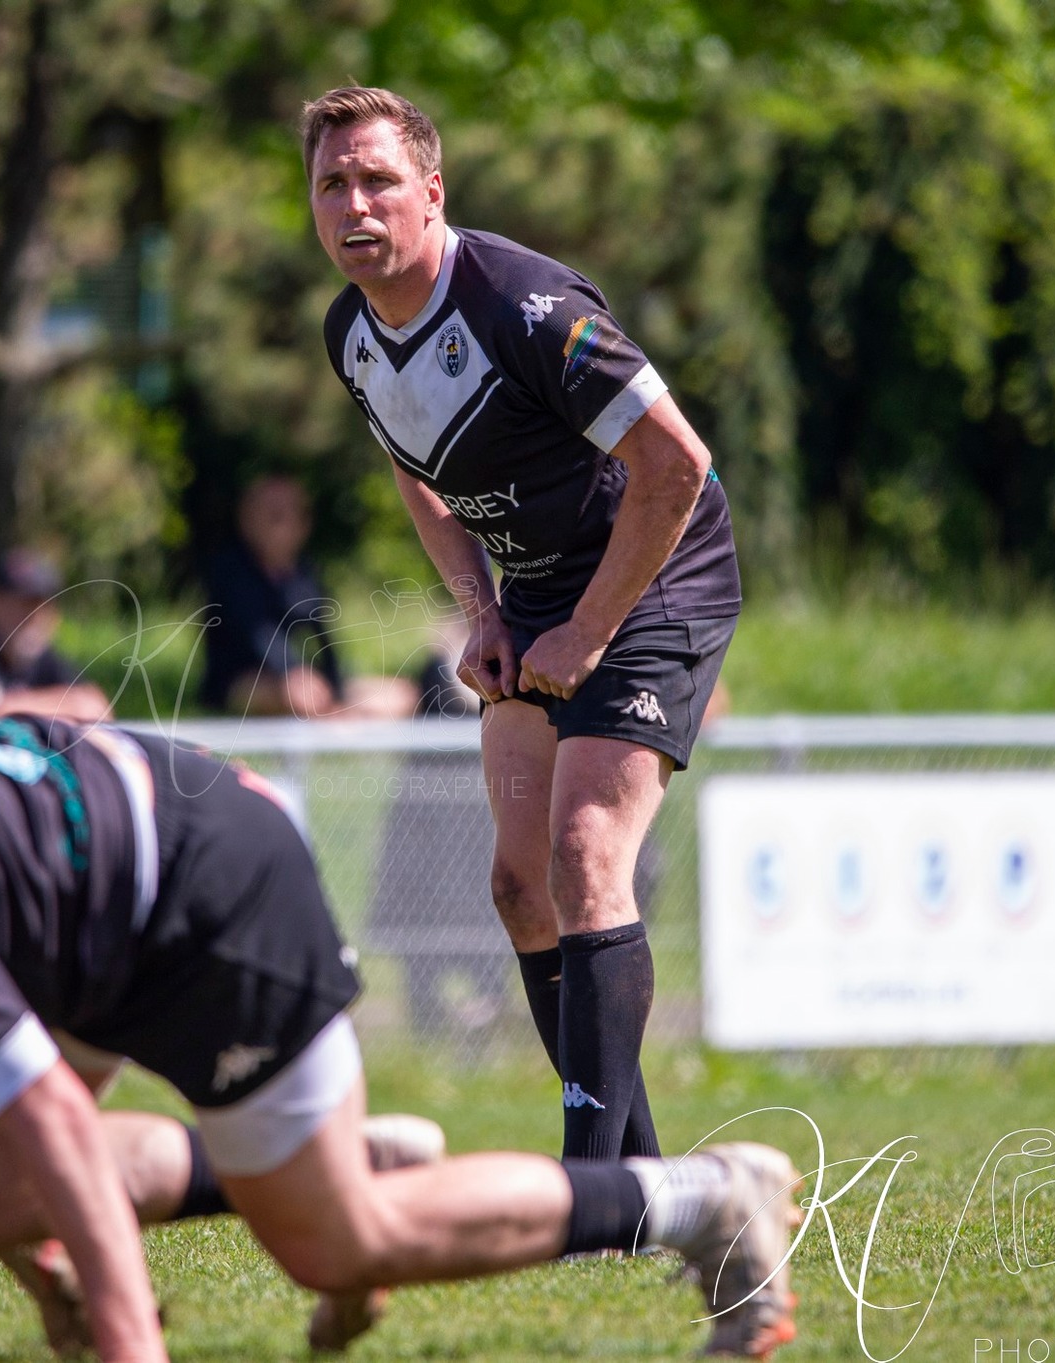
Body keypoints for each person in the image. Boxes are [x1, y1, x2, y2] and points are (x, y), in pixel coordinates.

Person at [0, 683, 803, 1361]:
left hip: (206, 896)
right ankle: (341, 1155)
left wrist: (126, 1336)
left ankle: (702, 1198)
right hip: (101, 866)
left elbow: (47, 1117)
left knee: (338, 1246)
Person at [307, 87, 741, 1162]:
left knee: (585, 850)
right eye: (331, 184)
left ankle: (588, 1189)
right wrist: (483, 612)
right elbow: (417, 475)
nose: (354, 204)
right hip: (541, 598)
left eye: (377, 180)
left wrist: (588, 635)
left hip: (655, 577)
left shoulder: (524, 306)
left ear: (431, 190)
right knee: (518, 886)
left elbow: (675, 467)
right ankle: (639, 1179)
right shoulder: (350, 332)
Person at [199, 474, 414, 719]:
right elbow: (260, 636)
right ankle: (339, 723)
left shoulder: (304, 574)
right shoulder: (232, 573)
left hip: (312, 682)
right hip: (247, 684)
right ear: (247, 520)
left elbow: (324, 639)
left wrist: (335, 685)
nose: (287, 523)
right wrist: (294, 673)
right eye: (275, 515)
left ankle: (333, 719)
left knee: (402, 694)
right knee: (299, 696)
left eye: (296, 513)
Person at [0, 550, 109, 724]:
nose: (34, 617)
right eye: (24, 605)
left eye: (43, 606)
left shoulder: (39, 656)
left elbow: (95, 706)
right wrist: (65, 706)